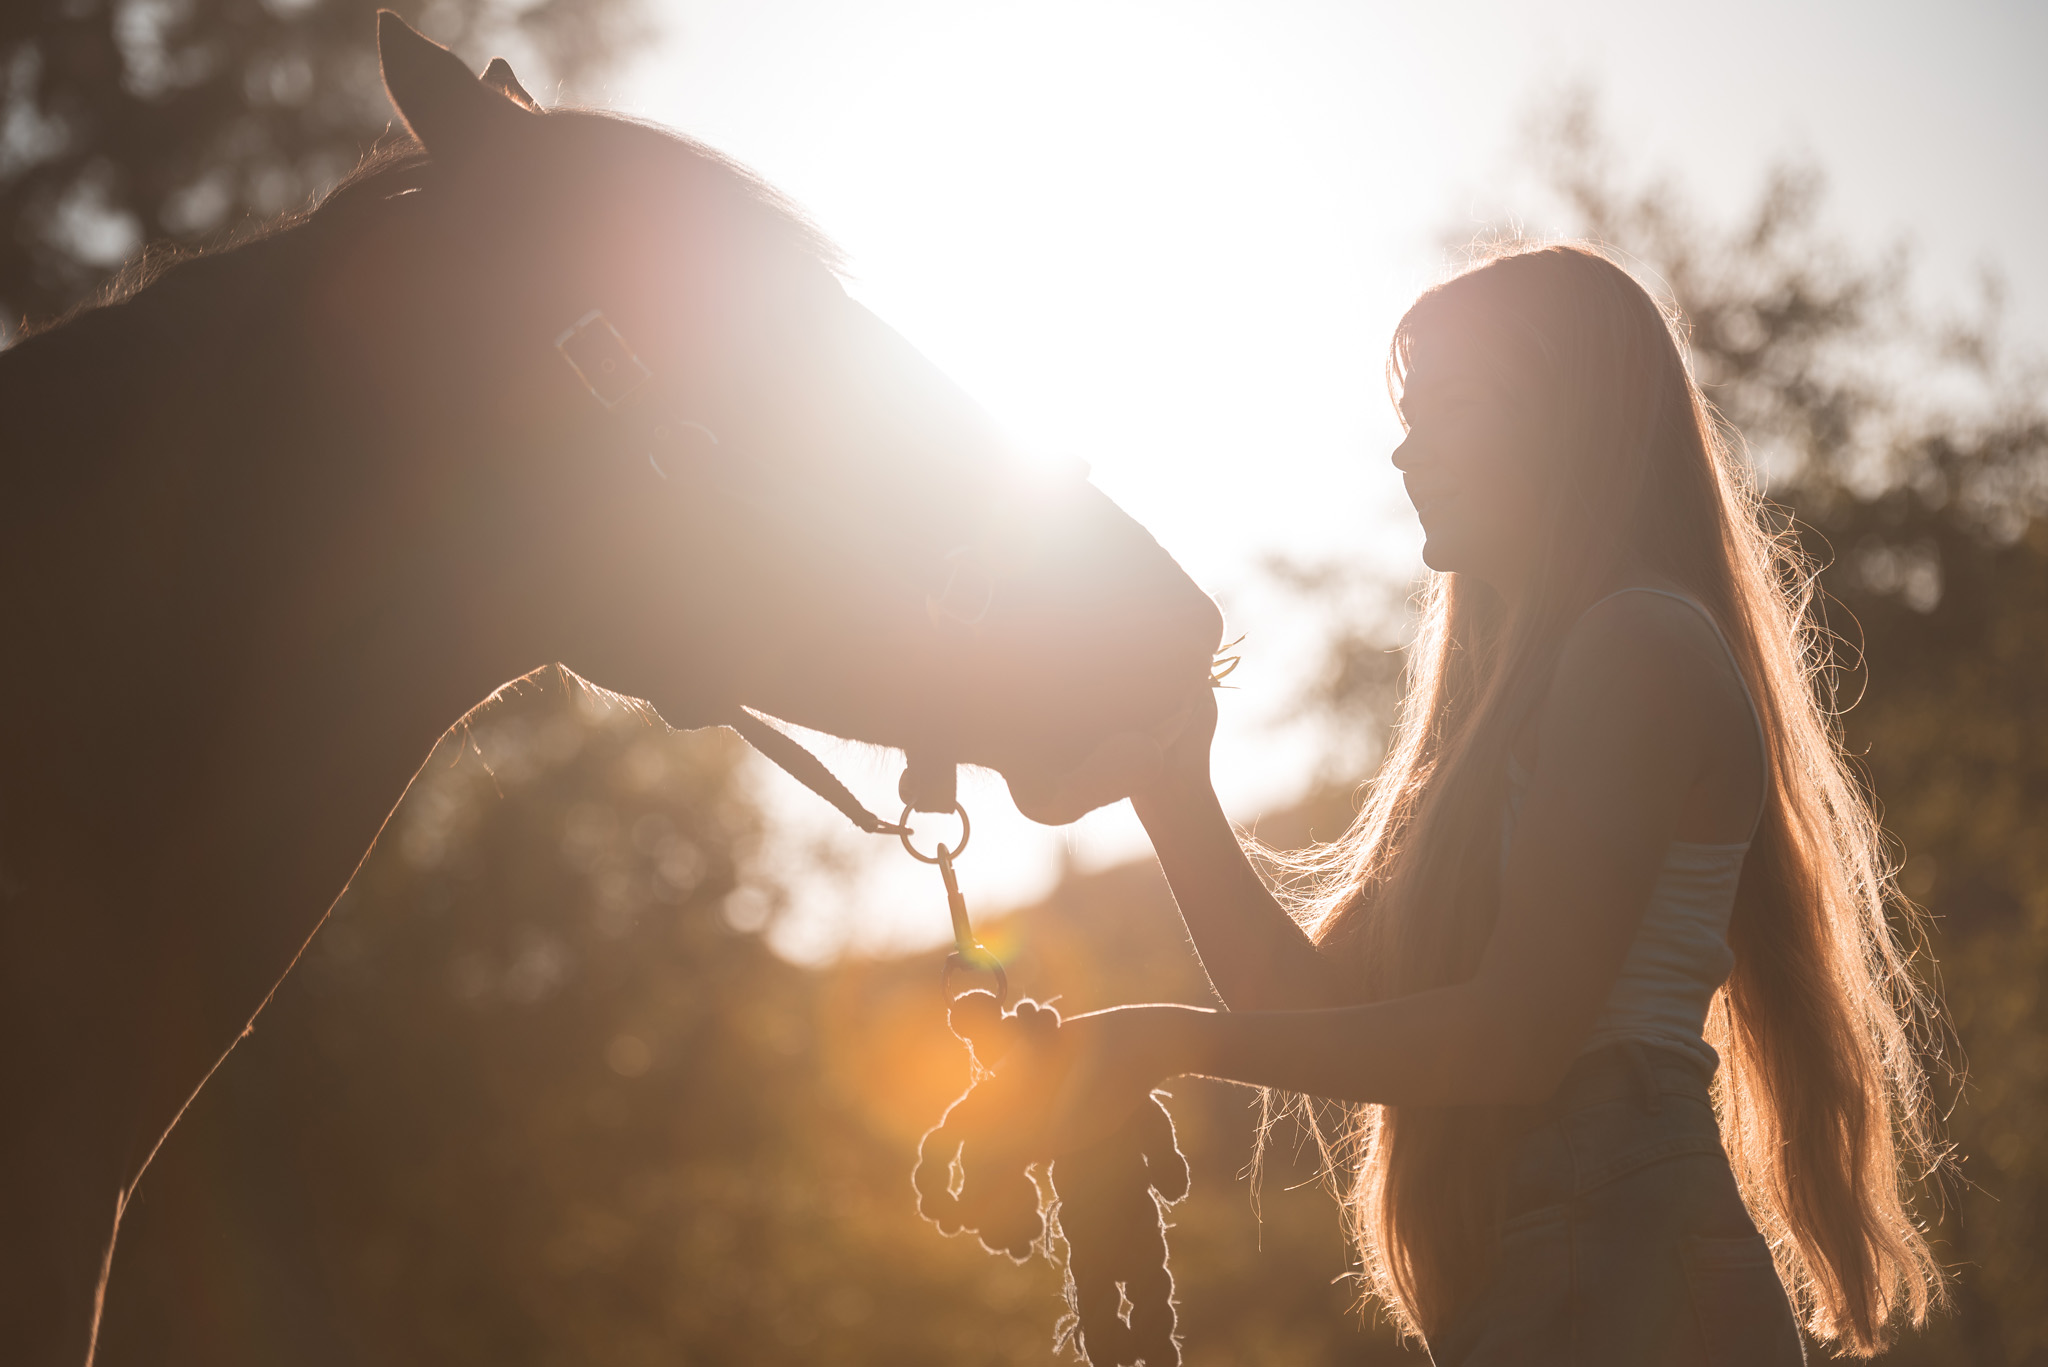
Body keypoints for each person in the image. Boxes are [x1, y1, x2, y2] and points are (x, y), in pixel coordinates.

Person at [989, 243, 1950, 1362]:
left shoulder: (1636, 644)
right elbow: (1302, 1004)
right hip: (1568, 1257)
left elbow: (1515, 1037)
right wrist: (1171, 790)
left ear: (1564, 419)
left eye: (1447, 407)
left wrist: (1162, 1041)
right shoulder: (1524, 697)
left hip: (1626, 1257)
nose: (1404, 449)